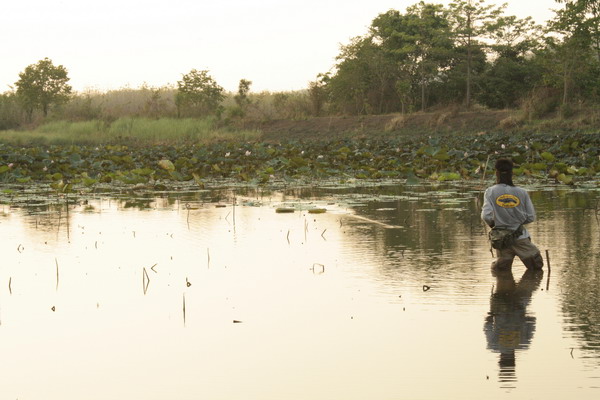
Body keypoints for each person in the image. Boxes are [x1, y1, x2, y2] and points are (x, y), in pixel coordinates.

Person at [481, 158, 543, 270]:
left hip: (502, 241)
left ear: (496, 173)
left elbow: (486, 216)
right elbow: (531, 217)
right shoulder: (522, 192)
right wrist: (516, 221)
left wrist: (495, 224)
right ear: (512, 173)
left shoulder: (490, 191)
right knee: (536, 268)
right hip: (521, 238)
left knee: (501, 273)